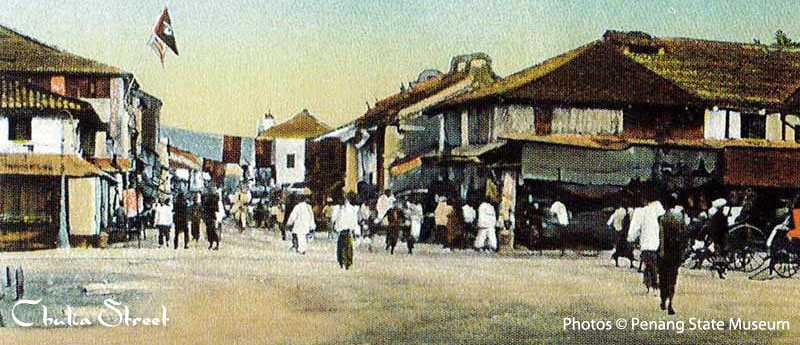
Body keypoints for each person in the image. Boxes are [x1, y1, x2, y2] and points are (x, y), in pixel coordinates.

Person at [628, 200, 665, 292]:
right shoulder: (659, 209)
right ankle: (654, 284)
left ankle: (651, 285)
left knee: (649, 264)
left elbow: (634, 228)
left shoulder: (640, 212)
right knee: (655, 264)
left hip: (647, 243)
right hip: (659, 243)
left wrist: (631, 239)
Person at [658, 205, 689, 315]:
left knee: (663, 278)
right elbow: (684, 238)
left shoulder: (662, 218)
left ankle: (663, 300)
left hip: (664, 253)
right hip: (675, 254)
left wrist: (661, 251)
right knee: (672, 279)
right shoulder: (680, 219)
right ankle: (670, 302)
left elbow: (660, 237)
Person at [333, 193, 359, 269]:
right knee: (343, 248)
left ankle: (347, 262)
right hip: (342, 231)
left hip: (347, 231)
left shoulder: (351, 209)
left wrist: (355, 231)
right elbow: (334, 219)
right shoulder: (338, 209)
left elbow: (354, 221)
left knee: (347, 248)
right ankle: (343, 262)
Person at [286, 190, 315, 255]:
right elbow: (311, 216)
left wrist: (289, 223)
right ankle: (302, 249)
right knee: (303, 237)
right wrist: (312, 225)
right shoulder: (308, 207)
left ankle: (299, 249)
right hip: (306, 225)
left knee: (299, 236)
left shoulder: (297, 207)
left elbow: (292, 216)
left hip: (298, 225)